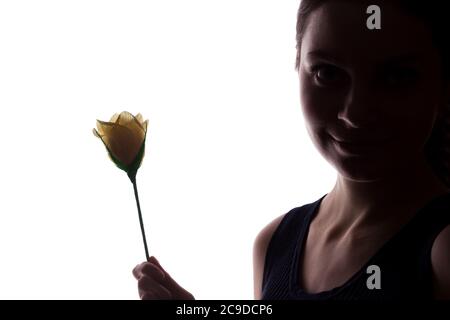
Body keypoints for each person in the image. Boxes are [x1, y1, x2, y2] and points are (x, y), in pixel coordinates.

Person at [132, 0, 450, 300]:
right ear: (297, 64)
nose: (355, 114)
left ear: (443, 85)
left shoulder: (443, 249)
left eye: (396, 77)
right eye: (328, 73)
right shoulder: (273, 244)